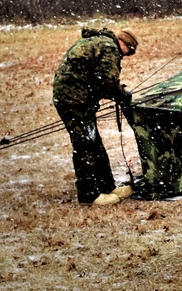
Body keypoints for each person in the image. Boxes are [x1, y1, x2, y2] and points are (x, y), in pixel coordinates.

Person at [52, 25, 138, 205]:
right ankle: (88, 194)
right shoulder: (109, 48)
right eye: (127, 52)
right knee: (85, 145)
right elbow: (106, 82)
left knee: (94, 143)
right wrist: (123, 96)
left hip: (74, 97)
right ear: (123, 43)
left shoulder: (96, 42)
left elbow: (97, 78)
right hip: (74, 100)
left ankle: (107, 187)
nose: (124, 56)